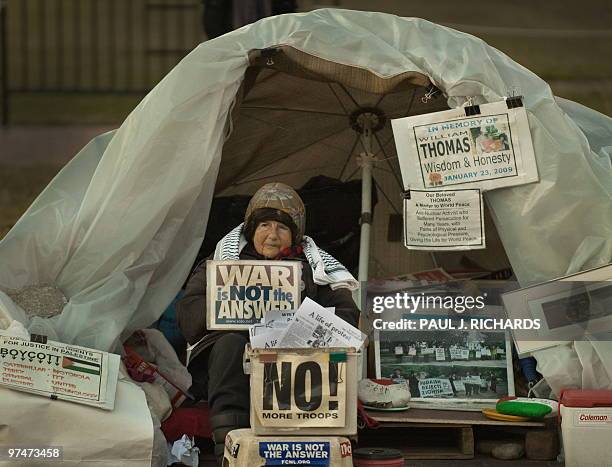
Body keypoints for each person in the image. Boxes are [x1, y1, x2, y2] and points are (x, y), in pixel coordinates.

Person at [176, 182, 360, 463]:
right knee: (231, 345)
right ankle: (230, 446)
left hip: (296, 360)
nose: (272, 235)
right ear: (251, 230)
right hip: (231, 357)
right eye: (264, 226)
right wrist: (228, 301)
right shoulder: (223, 262)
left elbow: (348, 317)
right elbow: (188, 318)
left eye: (282, 228)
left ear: (295, 234)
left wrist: (300, 307)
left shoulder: (315, 269)